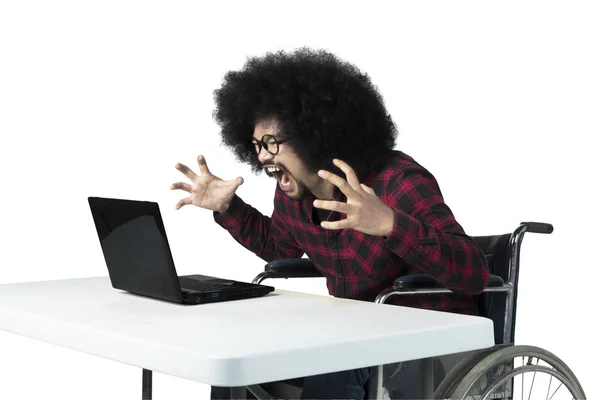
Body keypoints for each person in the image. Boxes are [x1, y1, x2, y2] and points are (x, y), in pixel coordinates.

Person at [170, 47, 489, 400]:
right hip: (359, 339)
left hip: (435, 350)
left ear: (315, 136)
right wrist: (229, 208)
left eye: (272, 142)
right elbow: (280, 247)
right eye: (257, 144)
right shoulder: (294, 196)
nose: (261, 156)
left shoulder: (396, 182)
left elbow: (474, 273)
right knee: (241, 353)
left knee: (340, 357)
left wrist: (390, 224)